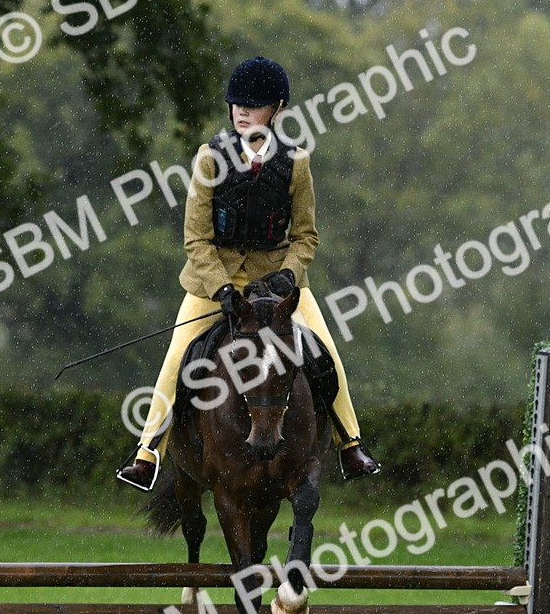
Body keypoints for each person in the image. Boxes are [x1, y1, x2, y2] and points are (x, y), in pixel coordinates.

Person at [116, 55, 380, 492]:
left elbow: (307, 236)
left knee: (325, 353)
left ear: (276, 110)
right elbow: (196, 238)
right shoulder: (208, 158)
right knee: (177, 356)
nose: (241, 110)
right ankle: (147, 454)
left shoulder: (296, 163)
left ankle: (350, 443)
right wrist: (220, 286)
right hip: (212, 282)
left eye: (252, 104)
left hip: (279, 286)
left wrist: (287, 277)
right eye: (236, 102)